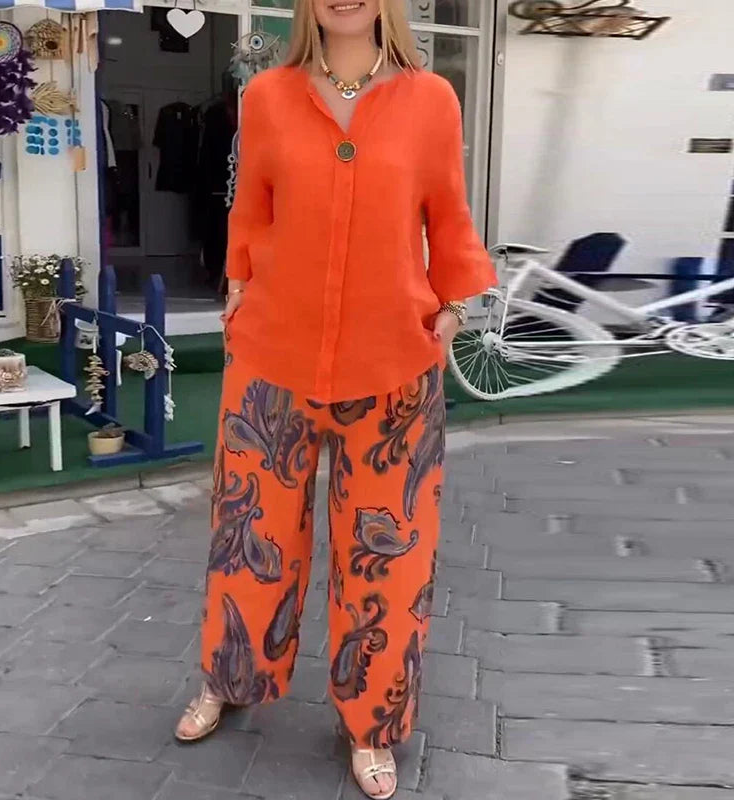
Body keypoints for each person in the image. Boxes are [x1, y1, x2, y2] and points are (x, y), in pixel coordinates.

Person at [174, 0, 496, 795]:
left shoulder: (430, 99)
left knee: (389, 558)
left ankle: (372, 724)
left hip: (393, 367)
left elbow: (448, 210)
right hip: (273, 361)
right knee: (249, 538)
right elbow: (251, 207)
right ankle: (229, 678)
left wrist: (454, 305)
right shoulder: (269, 96)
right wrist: (238, 291)